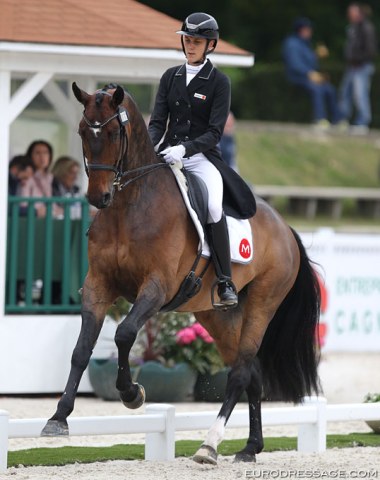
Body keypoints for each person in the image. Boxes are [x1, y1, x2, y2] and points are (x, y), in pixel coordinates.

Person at [148, 12, 256, 309]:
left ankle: (224, 280)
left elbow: (214, 132)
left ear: (211, 45)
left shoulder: (219, 82)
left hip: (201, 157)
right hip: (166, 153)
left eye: (196, 41)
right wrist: (151, 146)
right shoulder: (171, 76)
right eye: (187, 40)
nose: (190, 46)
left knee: (210, 205)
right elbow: (158, 121)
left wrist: (185, 150)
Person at [282, 17, 344, 129]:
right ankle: (319, 119)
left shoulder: (307, 44)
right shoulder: (292, 44)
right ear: (301, 30)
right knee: (317, 90)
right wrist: (309, 73)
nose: (310, 32)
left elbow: (311, 62)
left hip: (310, 77)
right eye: (308, 29)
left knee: (330, 89)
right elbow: (295, 64)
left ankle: (337, 119)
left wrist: (316, 56)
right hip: (298, 77)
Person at [339, 3, 377, 134]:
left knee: (360, 94)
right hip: (352, 66)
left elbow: (370, 50)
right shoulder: (353, 28)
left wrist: (357, 59)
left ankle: (362, 122)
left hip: (361, 66)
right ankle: (343, 119)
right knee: (345, 92)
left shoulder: (366, 28)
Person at [19, 140, 54, 218]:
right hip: (32, 219)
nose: (42, 157)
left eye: (45, 153)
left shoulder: (51, 178)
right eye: (37, 153)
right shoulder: (26, 176)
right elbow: (23, 203)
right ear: (30, 156)